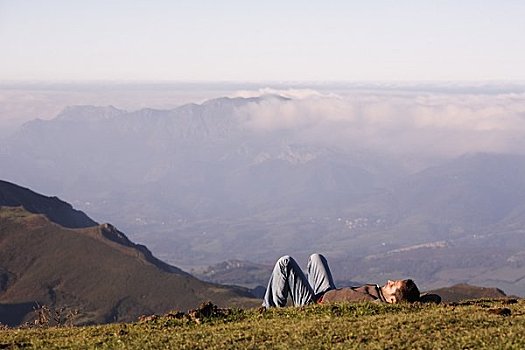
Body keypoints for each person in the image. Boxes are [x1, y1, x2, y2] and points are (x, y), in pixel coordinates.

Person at [262, 253, 426, 308]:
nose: (389, 281)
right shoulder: (378, 293)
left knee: (285, 263)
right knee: (316, 258)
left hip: (314, 303)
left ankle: (269, 310)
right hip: (326, 292)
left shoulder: (374, 301)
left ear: (392, 300)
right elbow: (435, 298)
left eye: (392, 285)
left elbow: (379, 306)